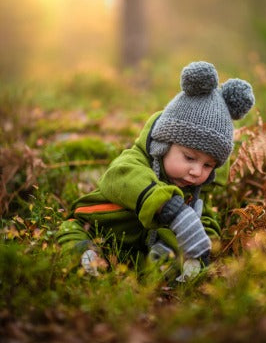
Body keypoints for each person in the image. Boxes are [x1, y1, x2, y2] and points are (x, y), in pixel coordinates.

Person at [56, 61, 255, 278]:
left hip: (135, 251)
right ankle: (85, 255)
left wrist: (203, 248)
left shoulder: (195, 191)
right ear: (163, 145)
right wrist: (169, 206)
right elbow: (120, 177)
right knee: (73, 233)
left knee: (170, 258)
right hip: (94, 226)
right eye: (189, 158)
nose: (197, 171)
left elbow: (205, 220)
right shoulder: (135, 162)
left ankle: (162, 267)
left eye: (208, 165)